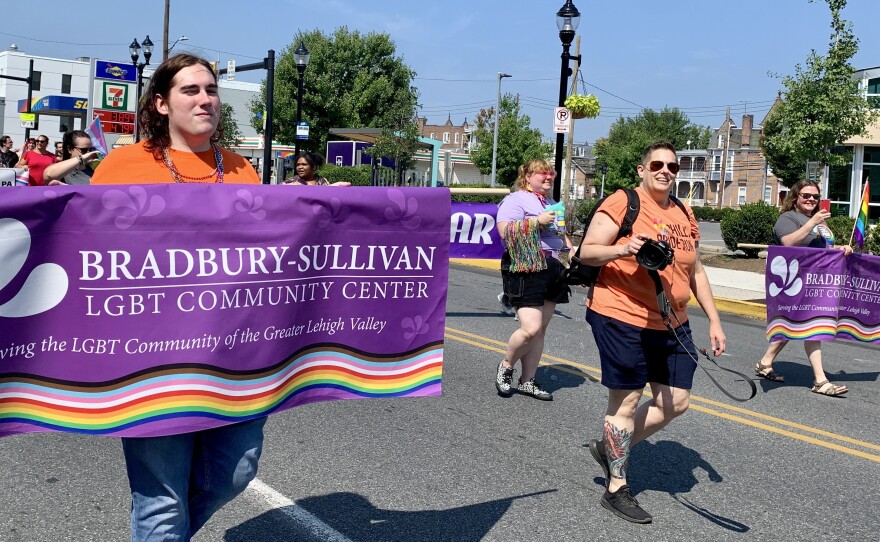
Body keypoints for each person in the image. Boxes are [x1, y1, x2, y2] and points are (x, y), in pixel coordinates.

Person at [91, 53, 267, 541]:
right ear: (161, 103)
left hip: (232, 353)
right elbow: (88, 249)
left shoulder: (240, 169)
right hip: (151, 358)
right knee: (161, 498)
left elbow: (267, 249)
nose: (205, 99)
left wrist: (332, 210)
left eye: (211, 89)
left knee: (237, 470)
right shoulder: (124, 163)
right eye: (190, 90)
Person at [580, 141, 726, 523]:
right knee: (626, 402)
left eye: (673, 167)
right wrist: (625, 247)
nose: (666, 171)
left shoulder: (683, 211)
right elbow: (587, 252)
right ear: (641, 169)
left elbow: (695, 270)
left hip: (672, 321)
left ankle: (610, 447)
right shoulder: (622, 202)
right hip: (621, 313)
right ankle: (616, 487)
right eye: (658, 165)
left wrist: (713, 319)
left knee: (676, 402)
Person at [754, 180, 851, 396]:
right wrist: (812, 222)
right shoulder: (787, 218)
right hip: (793, 281)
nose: (811, 200)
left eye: (815, 197)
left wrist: (840, 248)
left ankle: (765, 362)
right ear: (795, 197)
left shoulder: (820, 223)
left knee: (795, 324)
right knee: (812, 326)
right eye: (806, 195)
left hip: (817, 281)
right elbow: (788, 242)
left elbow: (822, 247)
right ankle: (820, 380)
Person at [494, 159, 573, 401]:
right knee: (530, 329)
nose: (548, 178)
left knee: (541, 331)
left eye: (551, 174)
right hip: (527, 265)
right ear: (527, 177)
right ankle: (507, 365)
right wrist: (536, 222)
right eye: (542, 174)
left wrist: (571, 255)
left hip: (553, 267)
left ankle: (527, 381)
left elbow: (560, 235)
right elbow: (504, 230)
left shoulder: (549, 202)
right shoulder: (516, 199)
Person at [283, 150, 350, 186]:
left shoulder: (322, 181)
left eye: (304, 164)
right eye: (298, 165)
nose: (300, 167)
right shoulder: (290, 183)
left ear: (313, 166)